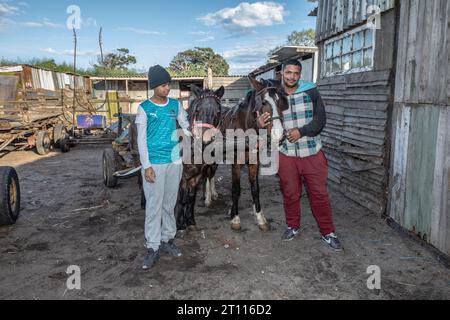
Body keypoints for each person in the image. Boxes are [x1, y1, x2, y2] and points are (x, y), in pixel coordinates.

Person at [257, 59, 343, 251]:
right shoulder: (273, 93)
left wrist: (301, 131)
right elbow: (266, 120)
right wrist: (262, 123)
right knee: (290, 193)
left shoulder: (311, 91)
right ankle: (292, 226)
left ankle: (328, 232)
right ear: (281, 73)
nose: (292, 77)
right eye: (288, 73)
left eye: (296, 73)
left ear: (300, 75)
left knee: (319, 194)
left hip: (311, 152)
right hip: (286, 154)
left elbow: (321, 120)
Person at [136, 65, 190, 269]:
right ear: (154, 86)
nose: (168, 88)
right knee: (154, 205)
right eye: (164, 85)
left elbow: (184, 124)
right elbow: (141, 140)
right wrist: (146, 166)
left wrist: (192, 131)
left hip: (174, 161)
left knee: (169, 203)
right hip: (154, 164)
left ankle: (167, 239)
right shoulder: (144, 108)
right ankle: (152, 245)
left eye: (169, 84)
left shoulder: (175, 105)